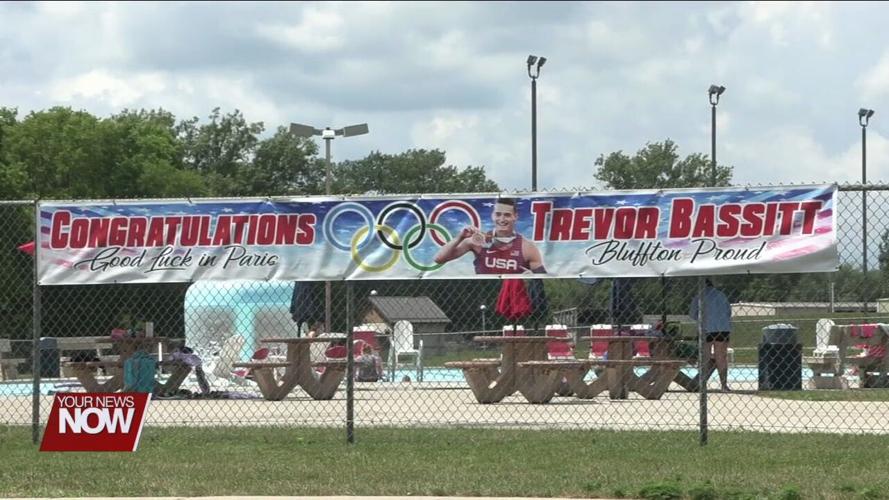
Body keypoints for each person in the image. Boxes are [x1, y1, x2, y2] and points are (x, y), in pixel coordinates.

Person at [433, 198, 546, 275]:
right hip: (482, 299)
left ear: (515, 216)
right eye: (498, 214)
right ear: (492, 216)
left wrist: (530, 278)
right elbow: (439, 259)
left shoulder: (527, 247)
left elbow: (543, 279)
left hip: (512, 303)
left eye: (507, 215)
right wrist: (460, 237)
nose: (502, 219)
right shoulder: (478, 240)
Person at [689, 278, 732, 392]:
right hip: (722, 328)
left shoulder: (699, 297)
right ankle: (724, 385)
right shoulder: (721, 295)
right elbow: (728, 312)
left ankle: (702, 383)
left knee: (705, 356)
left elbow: (692, 314)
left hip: (706, 328)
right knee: (721, 356)